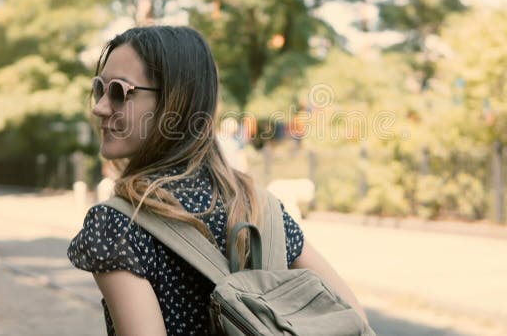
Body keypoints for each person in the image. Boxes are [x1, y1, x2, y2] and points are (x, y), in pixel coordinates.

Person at [67, 26, 368, 335]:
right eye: (99, 89)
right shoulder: (261, 207)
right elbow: (354, 318)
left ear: (175, 103)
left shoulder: (118, 224)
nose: (100, 107)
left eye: (118, 91)